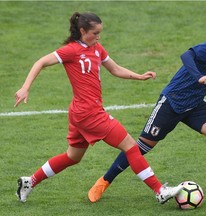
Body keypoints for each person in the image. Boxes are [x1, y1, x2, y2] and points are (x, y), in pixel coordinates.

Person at [14, 12, 183, 204]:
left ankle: (30, 181)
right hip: (90, 114)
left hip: (79, 113)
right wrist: (25, 87)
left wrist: (139, 76)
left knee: (72, 156)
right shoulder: (71, 50)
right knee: (131, 147)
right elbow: (41, 62)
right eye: (95, 33)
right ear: (82, 31)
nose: (98, 36)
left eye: (99, 33)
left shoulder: (97, 48)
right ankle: (160, 190)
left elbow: (115, 69)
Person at [88, 26, 206, 205]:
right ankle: (104, 181)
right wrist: (199, 77)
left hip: (194, 105)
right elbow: (187, 56)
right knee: (140, 148)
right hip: (172, 102)